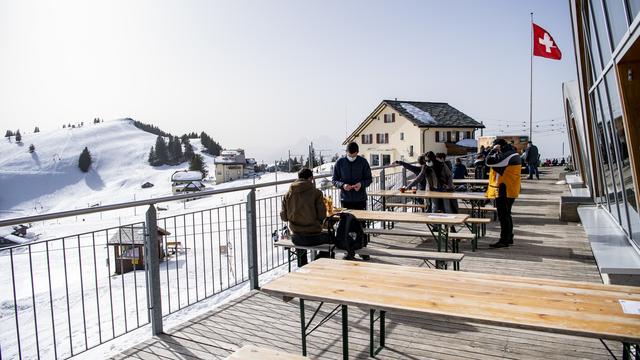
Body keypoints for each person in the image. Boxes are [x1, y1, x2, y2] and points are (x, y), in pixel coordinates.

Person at [280, 168, 332, 267]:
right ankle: (316, 264)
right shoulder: (316, 193)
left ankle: (302, 266)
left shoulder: (288, 194)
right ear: (311, 178)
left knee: (301, 244)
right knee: (332, 239)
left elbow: (284, 217)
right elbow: (322, 216)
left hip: (296, 237)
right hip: (314, 236)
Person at [485, 139, 521, 248]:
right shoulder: (512, 153)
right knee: (507, 215)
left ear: (499, 146)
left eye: (495, 146)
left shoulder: (508, 155)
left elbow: (488, 161)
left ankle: (504, 240)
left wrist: (492, 151)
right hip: (509, 188)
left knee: (503, 216)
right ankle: (509, 237)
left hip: (505, 189)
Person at [332, 142, 373, 211]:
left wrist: (361, 184)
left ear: (357, 152)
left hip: (360, 200)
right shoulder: (339, 162)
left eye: (353, 156)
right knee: (346, 221)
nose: (351, 158)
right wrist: (343, 185)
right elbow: (334, 180)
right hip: (345, 200)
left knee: (360, 221)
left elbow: (369, 179)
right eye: (349, 156)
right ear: (346, 152)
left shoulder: (363, 162)